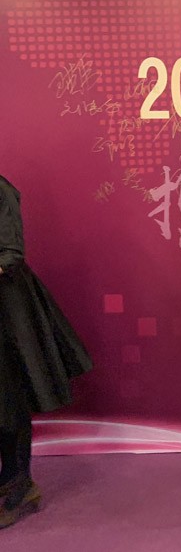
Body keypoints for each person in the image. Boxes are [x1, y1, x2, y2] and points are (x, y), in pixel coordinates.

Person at [0, 175, 92, 529]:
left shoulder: (1, 190)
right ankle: (8, 475)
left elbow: (11, 254)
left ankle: (22, 485)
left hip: (8, 311)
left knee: (11, 398)